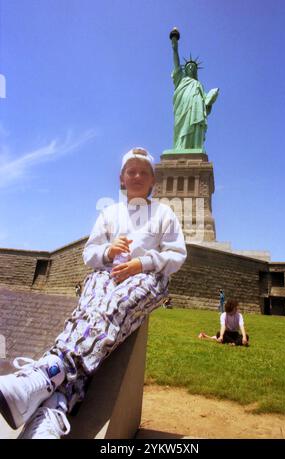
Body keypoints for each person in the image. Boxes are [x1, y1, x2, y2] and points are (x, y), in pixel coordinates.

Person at [0, 147, 187, 439]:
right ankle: (55, 406)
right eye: (131, 171)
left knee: (111, 308)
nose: (137, 175)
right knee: (88, 313)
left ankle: (45, 374)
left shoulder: (163, 214)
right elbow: (90, 253)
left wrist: (142, 262)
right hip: (107, 274)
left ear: (154, 181)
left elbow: (176, 256)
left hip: (147, 278)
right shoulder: (110, 213)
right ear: (122, 178)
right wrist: (107, 251)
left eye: (144, 172)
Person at [170, 28, 219, 150]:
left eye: (193, 67)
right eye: (189, 66)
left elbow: (206, 103)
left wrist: (210, 99)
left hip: (197, 108)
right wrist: (175, 46)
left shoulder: (199, 85)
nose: (191, 68)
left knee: (197, 123)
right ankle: (181, 149)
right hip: (183, 109)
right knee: (182, 128)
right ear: (185, 69)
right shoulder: (180, 78)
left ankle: (196, 148)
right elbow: (176, 62)